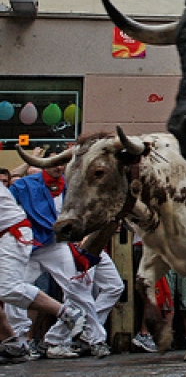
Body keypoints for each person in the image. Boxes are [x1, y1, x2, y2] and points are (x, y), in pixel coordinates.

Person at [5, 151, 110, 358]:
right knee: (11, 289)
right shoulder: (25, 185)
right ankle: (20, 340)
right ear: (45, 164)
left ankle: (96, 339)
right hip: (30, 246)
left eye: (62, 163)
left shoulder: (71, 186)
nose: (58, 166)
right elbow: (6, 197)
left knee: (77, 287)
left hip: (55, 245)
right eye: (54, 162)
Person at [0, 183, 85, 362]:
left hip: (11, 234)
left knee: (7, 287)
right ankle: (12, 344)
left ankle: (68, 313)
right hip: (8, 233)